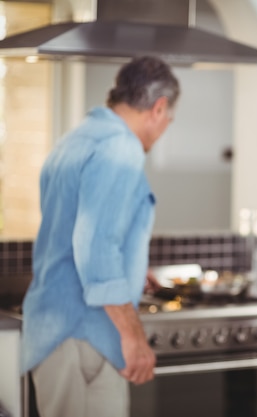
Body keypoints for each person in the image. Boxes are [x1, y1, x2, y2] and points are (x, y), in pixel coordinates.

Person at [21, 56, 180, 417]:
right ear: (158, 108)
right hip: (81, 334)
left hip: (59, 330)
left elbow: (75, 228)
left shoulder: (74, 139)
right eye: (169, 118)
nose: (166, 125)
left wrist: (131, 270)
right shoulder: (120, 148)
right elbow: (94, 245)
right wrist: (134, 335)